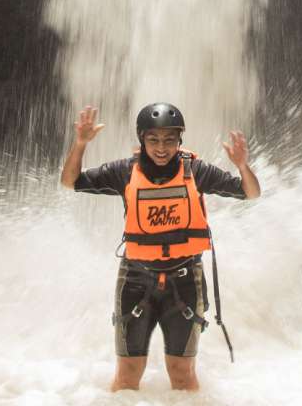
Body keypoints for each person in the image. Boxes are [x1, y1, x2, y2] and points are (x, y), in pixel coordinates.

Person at [60, 102, 261, 392]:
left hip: (185, 280)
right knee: (128, 374)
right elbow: (69, 182)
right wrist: (80, 144)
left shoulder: (197, 170)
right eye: (153, 140)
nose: (161, 148)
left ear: (180, 140)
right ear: (142, 139)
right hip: (135, 280)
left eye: (169, 140)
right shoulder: (125, 171)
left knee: (182, 373)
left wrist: (242, 165)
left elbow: (251, 193)